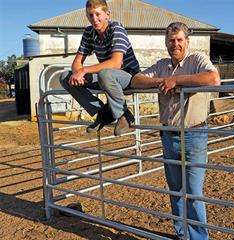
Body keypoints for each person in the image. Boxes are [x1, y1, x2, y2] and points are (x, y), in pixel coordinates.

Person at [131, 22, 220, 240]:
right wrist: (163, 81)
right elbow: (136, 80)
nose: (175, 44)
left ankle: (198, 238)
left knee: (193, 192)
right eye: (171, 40)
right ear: (166, 43)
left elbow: (213, 78)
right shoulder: (162, 65)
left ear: (187, 42)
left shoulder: (197, 60)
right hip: (169, 136)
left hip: (193, 135)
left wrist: (177, 80)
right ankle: (182, 235)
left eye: (180, 40)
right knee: (175, 190)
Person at [60, 0, 140, 136]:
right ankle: (103, 113)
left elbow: (116, 63)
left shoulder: (116, 29)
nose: (95, 19)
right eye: (91, 15)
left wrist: (83, 70)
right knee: (65, 77)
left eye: (98, 14)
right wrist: (77, 74)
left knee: (105, 74)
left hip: (128, 76)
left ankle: (124, 115)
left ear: (107, 14)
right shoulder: (89, 32)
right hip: (107, 77)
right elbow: (77, 62)